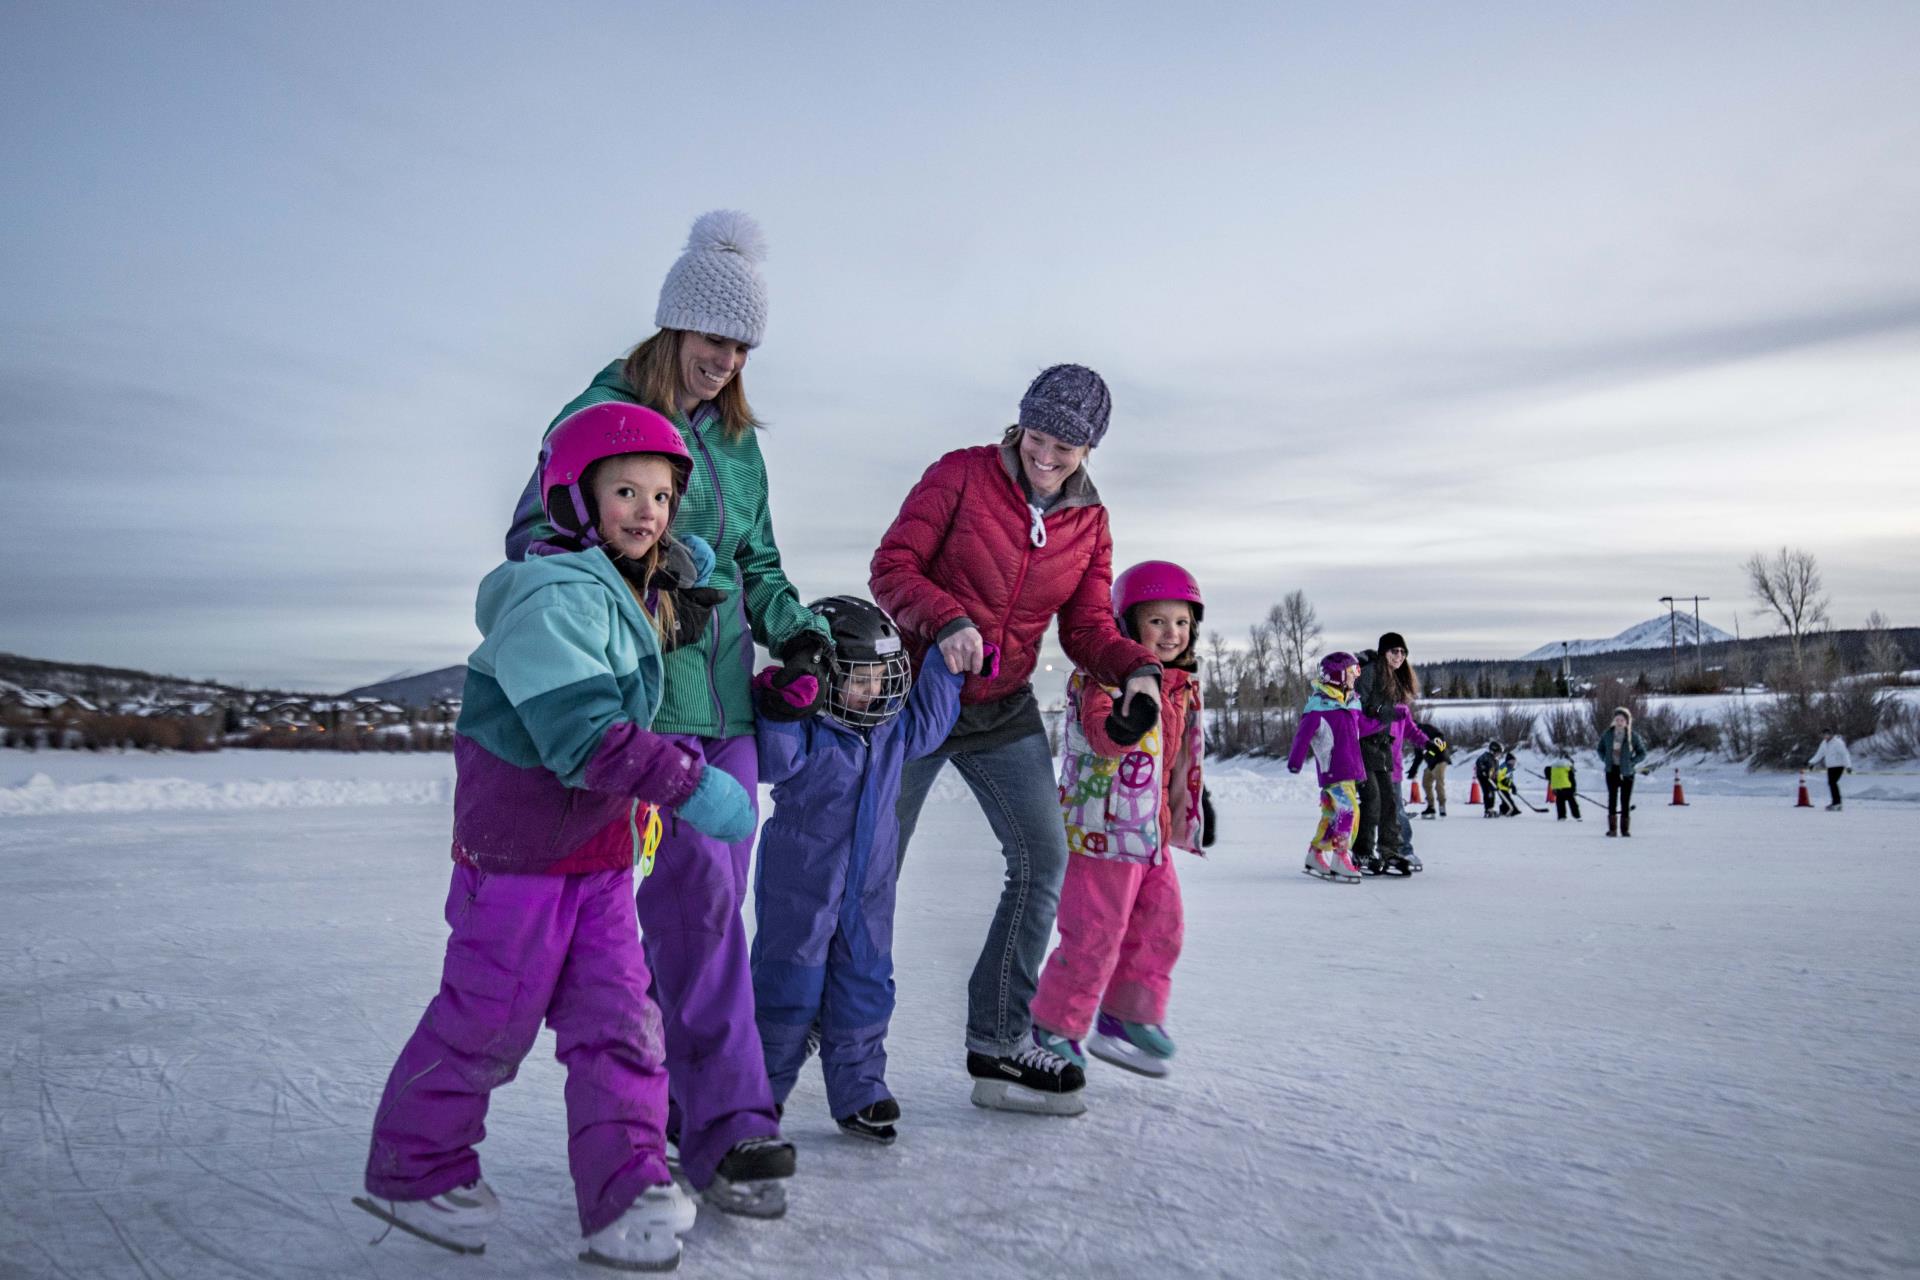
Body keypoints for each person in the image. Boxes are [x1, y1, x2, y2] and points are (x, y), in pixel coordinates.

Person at [359, 405, 755, 1270]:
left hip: (601, 861)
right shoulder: (552, 599)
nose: (648, 511)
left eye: (661, 495)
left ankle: (629, 1191)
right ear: (574, 500)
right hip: (521, 865)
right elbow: (582, 738)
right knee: (488, 1024)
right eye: (625, 490)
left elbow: (650, 642)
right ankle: (413, 1167)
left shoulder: (618, 596)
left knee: (621, 1023)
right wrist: (693, 787)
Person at [504, 210, 830, 1218]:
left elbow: (759, 562)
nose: (723, 361)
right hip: (648, 702)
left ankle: (686, 1107)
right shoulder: (598, 413)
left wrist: (799, 629)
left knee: (709, 910)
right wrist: (646, 583)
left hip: (728, 700)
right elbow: (533, 538)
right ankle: (730, 1122)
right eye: (711, 340)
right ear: (672, 327)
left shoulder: (736, 441)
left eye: (740, 348)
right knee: (693, 901)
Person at [871, 363, 1161, 1117]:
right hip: (918, 697)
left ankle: (999, 1042)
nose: (1048, 454)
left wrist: (1137, 668)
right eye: (1039, 436)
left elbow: (1090, 626)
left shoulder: (1088, 523)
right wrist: (949, 620)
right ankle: (824, 1026)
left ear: (1089, 448)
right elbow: (891, 568)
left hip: (1001, 707)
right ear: (1020, 424)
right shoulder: (961, 477)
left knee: (1043, 862)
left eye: (1067, 445)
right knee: (870, 869)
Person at [749, 597, 969, 1145]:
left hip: (869, 890)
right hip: (801, 884)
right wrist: (779, 706)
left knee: (865, 983)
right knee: (788, 987)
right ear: (826, 677)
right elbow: (773, 762)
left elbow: (931, 724)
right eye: (861, 681)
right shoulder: (811, 730)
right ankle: (754, 1099)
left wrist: (945, 664)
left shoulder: (893, 730)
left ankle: (860, 1091)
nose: (876, 692)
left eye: (883, 678)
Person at [1032, 561, 1210, 1080]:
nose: (1170, 633)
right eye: (1156, 621)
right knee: (1094, 933)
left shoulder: (1178, 685)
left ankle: (1125, 1016)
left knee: (1162, 926)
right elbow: (1102, 734)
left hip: (1148, 833)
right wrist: (1120, 723)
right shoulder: (1105, 679)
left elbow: (1175, 758)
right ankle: (1053, 1025)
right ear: (1129, 625)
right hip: (1102, 835)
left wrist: (1195, 804)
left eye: (1180, 622)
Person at [1287, 652, 1370, 883]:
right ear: (1339, 675)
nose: (1355, 677)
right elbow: (1302, 737)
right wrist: (1295, 761)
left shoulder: (1351, 702)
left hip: (1350, 770)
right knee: (1348, 811)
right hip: (1333, 770)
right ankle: (1341, 857)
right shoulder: (1318, 707)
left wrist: (1387, 720)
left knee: (1331, 815)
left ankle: (1315, 854)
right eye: (1353, 672)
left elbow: (1362, 726)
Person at [1352, 633, 1429, 875]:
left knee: (1390, 802)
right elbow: (1358, 713)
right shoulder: (1370, 673)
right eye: (1394, 651)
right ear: (1384, 652)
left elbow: (1403, 722)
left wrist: (1428, 742)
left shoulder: (1393, 679)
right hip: (1364, 747)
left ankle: (1390, 851)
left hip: (1384, 748)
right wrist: (1385, 714)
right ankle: (1362, 852)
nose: (1399, 656)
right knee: (1373, 799)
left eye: (1402, 652)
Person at [1596, 707, 1648, 837]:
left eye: (1622, 720)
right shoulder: (1608, 734)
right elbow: (1600, 749)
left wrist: (1632, 762)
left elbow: (1642, 753)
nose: (1619, 722)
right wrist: (1605, 759)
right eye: (1617, 719)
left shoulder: (1633, 736)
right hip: (1611, 770)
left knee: (1625, 800)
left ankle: (1625, 829)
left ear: (1627, 722)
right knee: (1612, 798)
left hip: (1627, 772)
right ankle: (1612, 829)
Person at [1408, 722, 1454, 818]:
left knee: (1439, 781)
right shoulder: (1414, 738)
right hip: (1431, 763)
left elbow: (1440, 736)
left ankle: (1442, 804)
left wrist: (1434, 747)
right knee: (1426, 782)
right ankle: (1431, 806)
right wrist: (1413, 769)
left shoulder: (1425, 728)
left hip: (1441, 759)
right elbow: (1418, 756)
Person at [1808, 729, 1852, 811]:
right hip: (1830, 767)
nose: (1826, 736)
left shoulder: (1838, 743)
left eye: (1827, 735)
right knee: (1831, 783)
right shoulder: (1824, 743)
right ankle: (1836, 803)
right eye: (1824, 735)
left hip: (1839, 766)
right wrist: (1812, 762)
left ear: (1831, 735)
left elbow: (1845, 754)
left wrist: (1848, 766)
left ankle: (1837, 803)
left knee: (1833, 783)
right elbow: (1819, 754)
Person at [1547, 755, 1583, 821]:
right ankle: (1577, 816)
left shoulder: (1554, 766)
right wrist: (1574, 790)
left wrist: (1550, 778)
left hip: (1557, 788)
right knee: (1572, 802)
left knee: (1560, 802)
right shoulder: (1568, 767)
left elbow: (1547, 770)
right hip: (1567, 787)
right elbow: (1572, 779)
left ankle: (1561, 816)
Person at [1476, 740, 1504, 818]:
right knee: (1488, 792)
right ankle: (1488, 809)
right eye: (1498, 752)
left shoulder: (1496, 760)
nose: (1499, 754)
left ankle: (1490, 808)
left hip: (1491, 778)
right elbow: (1479, 762)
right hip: (1483, 777)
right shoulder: (1486, 756)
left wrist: (1496, 779)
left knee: (1492, 792)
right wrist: (1483, 770)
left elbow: (1496, 771)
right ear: (1493, 750)